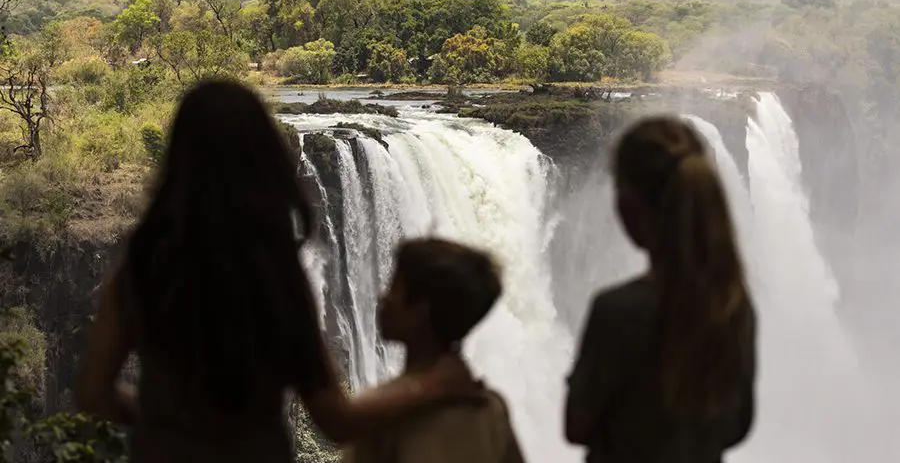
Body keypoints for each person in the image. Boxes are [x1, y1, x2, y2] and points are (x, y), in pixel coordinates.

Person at [75, 80, 477, 463]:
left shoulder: (143, 267)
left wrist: (164, 423)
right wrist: (436, 386)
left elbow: (94, 393)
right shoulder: (271, 276)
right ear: (263, 159)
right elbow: (337, 419)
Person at [564, 116, 757, 463]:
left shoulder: (617, 311)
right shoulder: (732, 304)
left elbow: (576, 425)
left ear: (628, 208)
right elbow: (737, 425)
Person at [344, 237, 525, 463]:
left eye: (394, 288)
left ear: (421, 310)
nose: (384, 299)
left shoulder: (380, 413)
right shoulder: (491, 410)